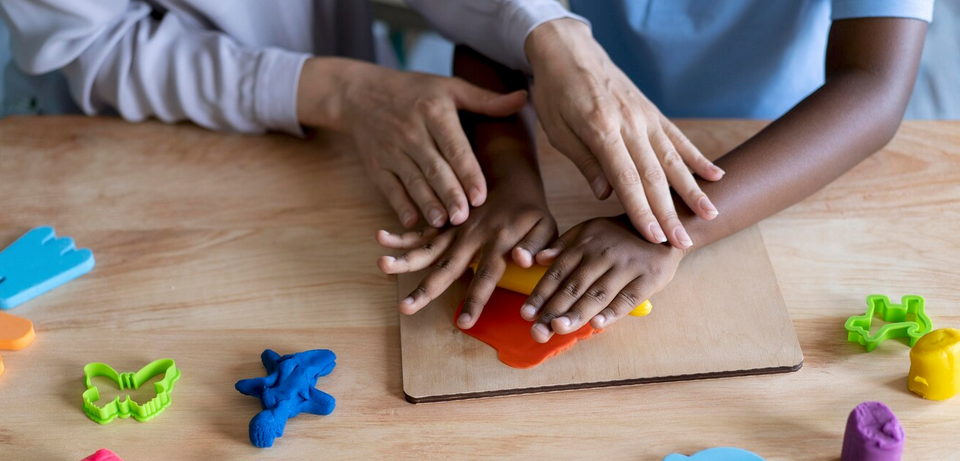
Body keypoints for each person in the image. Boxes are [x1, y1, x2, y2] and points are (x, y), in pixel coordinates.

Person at [381, 3, 931, 343]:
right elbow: (495, 26)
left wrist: (673, 227)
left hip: (781, 140)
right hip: (572, 120)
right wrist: (508, 175)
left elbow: (873, 90)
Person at [0, 0, 723, 248]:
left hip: (346, 127)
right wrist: (337, 90)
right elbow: (94, 45)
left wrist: (547, 32)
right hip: (140, 145)